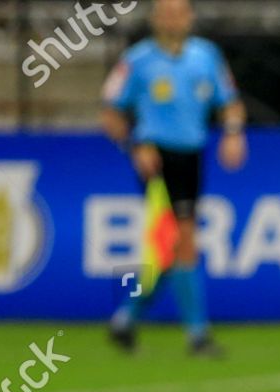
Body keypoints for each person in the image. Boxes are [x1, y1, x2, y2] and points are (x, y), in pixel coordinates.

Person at [100, 0, 244, 357]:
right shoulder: (137, 60)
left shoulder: (206, 55)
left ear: (190, 17)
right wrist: (135, 146)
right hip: (156, 157)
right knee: (182, 240)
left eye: (178, 12)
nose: (172, 19)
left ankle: (125, 319)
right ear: (154, 19)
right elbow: (110, 112)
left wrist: (233, 133)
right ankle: (197, 335)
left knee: (167, 248)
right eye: (165, 12)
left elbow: (230, 102)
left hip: (192, 155)